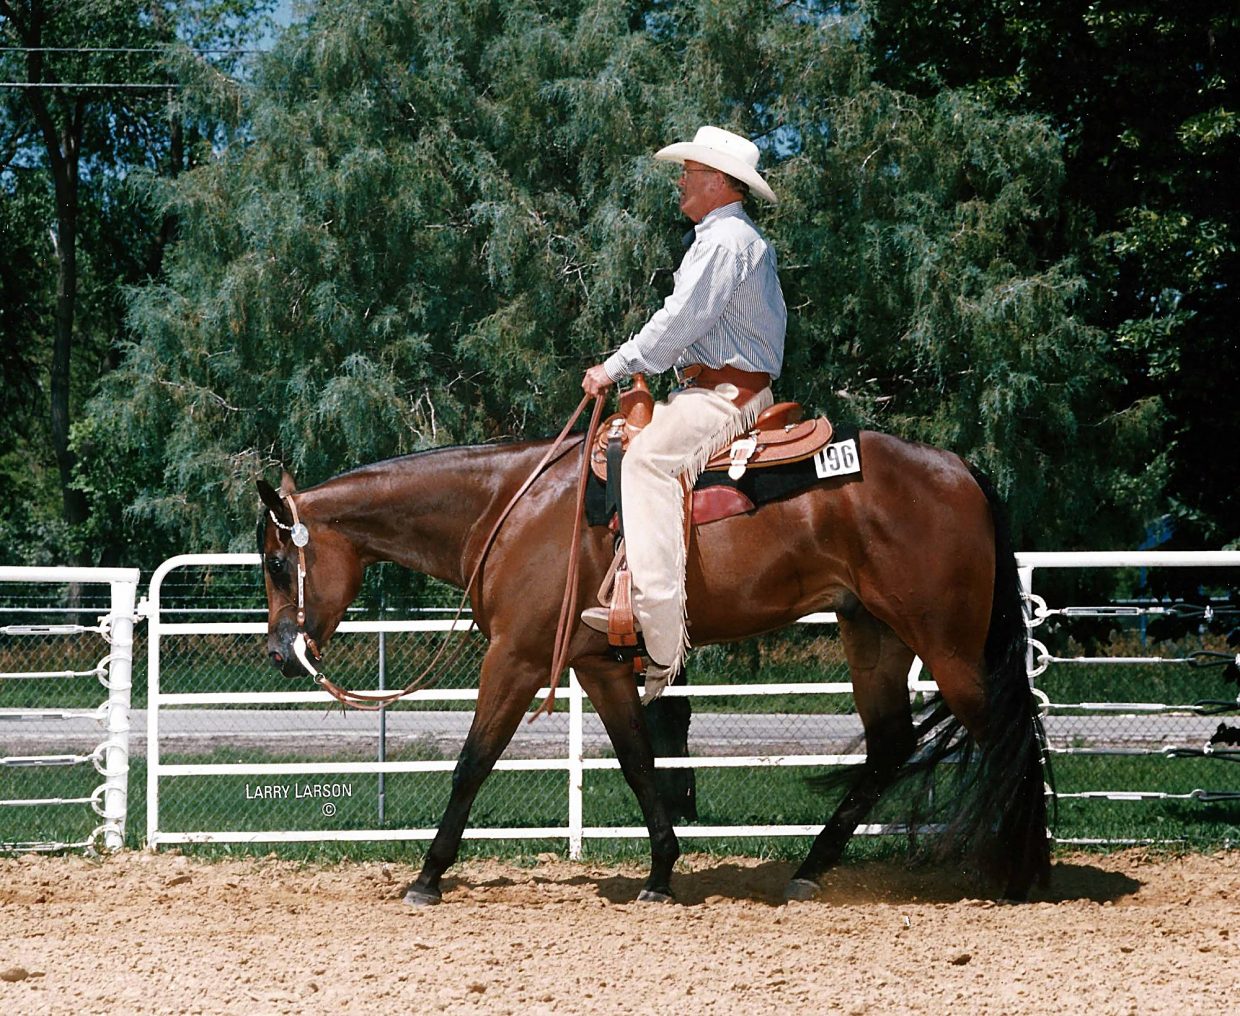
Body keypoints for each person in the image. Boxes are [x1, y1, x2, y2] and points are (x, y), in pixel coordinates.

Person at [580, 125, 787, 699]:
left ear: (719, 183)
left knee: (646, 463)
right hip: (711, 387)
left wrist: (615, 367)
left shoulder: (724, 242)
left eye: (691, 174)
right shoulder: (725, 239)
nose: (681, 181)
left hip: (725, 395)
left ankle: (660, 640)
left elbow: (680, 323)